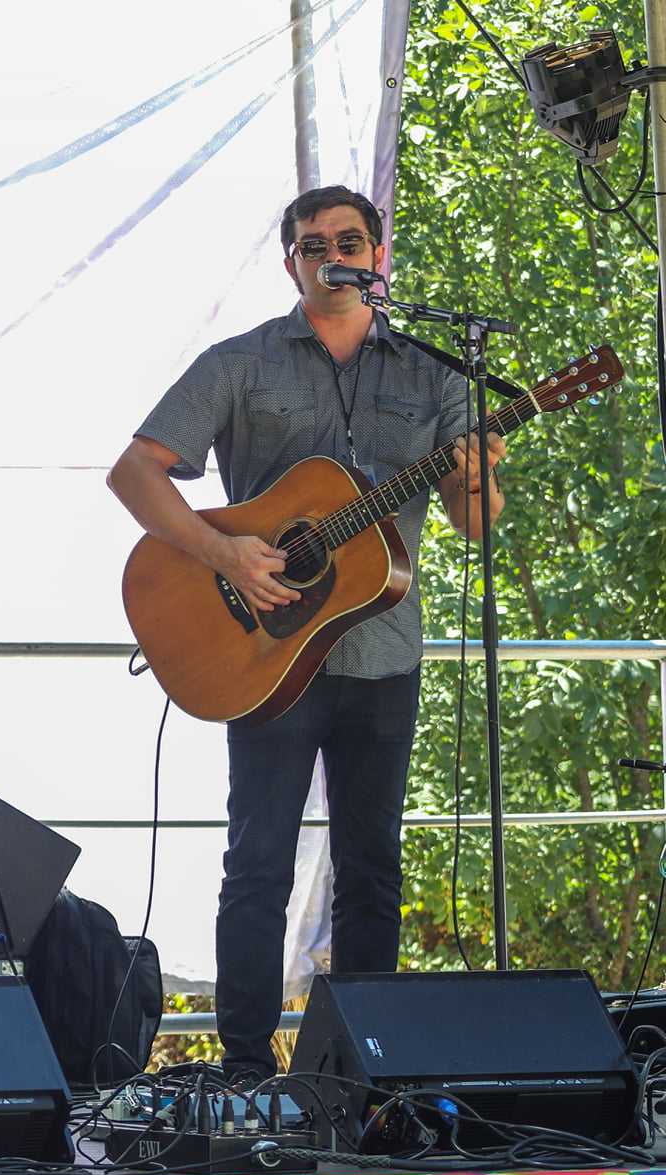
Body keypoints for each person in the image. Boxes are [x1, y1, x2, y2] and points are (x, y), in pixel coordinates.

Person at [106, 186, 506, 1081]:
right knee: (258, 863)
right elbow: (133, 473)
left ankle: (362, 1067)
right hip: (267, 651)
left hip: (382, 649)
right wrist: (226, 553)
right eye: (312, 242)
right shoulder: (240, 364)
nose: (333, 252)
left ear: (379, 253)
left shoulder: (436, 372)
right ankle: (247, 1071)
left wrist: (477, 475)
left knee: (373, 868)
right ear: (290, 260)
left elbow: (476, 525)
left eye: (350, 239)